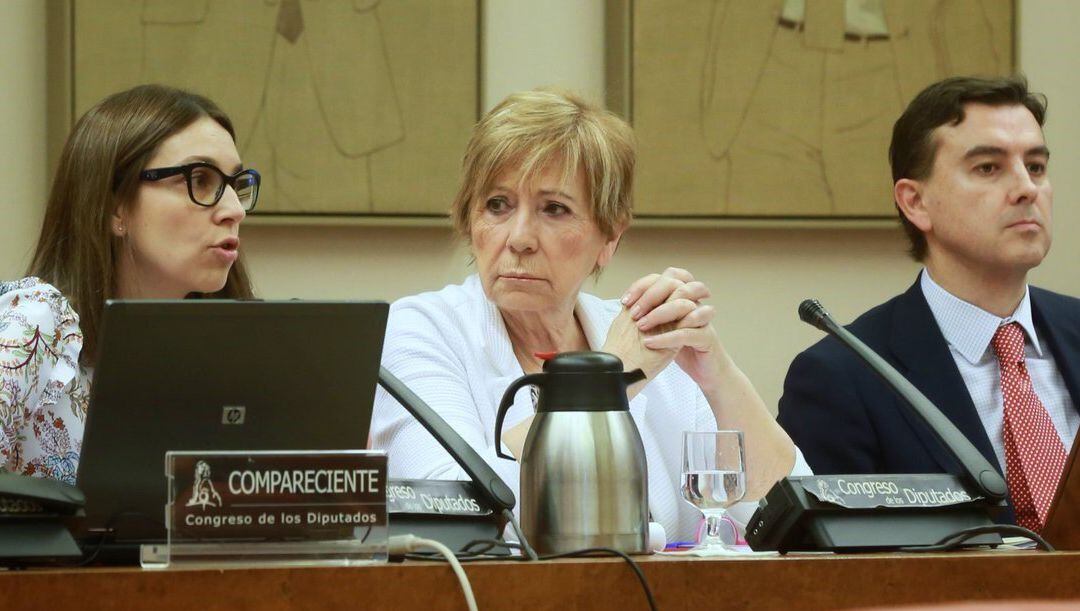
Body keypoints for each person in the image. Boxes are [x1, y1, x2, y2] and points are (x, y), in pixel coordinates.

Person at [371, 89, 809, 542]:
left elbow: (789, 513)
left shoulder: (642, 333)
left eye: (554, 209)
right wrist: (609, 379)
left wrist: (717, 374)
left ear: (609, 239)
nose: (519, 237)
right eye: (497, 204)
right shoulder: (421, 330)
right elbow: (450, 512)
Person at [777, 76, 1080, 532]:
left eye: (1035, 167)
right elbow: (835, 575)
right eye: (988, 168)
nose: (1026, 189)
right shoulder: (842, 377)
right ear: (915, 202)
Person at [0, 84, 259, 484]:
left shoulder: (227, 350)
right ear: (113, 207)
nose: (234, 210)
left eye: (236, 185)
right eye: (200, 179)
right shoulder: (36, 321)